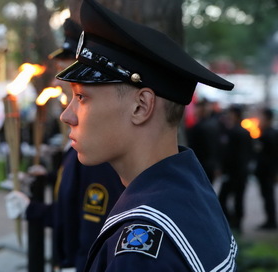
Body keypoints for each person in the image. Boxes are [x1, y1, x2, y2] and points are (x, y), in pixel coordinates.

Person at [56, 0, 237, 270]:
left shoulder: (141, 249)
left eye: (81, 97)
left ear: (141, 107)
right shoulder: (190, 193)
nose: (66, 116)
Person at [6, 18, 124, 272]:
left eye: (65, 62)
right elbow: (72, 187)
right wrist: (48, 177)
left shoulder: (98, 144)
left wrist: (32, 210)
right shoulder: (83, 129)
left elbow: (88, 219)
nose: (58, 71)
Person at [218, 105, 254, 232]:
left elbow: (230, 154)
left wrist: (224, 169)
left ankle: (232, 221)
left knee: (223, 198)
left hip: (233, 172)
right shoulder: (245, 132)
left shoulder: (233, 133)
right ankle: (237, 222)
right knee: (239, 197)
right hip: (241, 172)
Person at [187, 99, 222, 183]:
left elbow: (192, 148)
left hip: (199, 165)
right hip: (211, 165)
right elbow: (220, 147)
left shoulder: (197, 127)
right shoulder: (215, 125)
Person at [254, 107, 278, 230]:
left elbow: (273, 155)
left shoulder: (270, 134)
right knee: (266, 196)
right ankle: (269, 220)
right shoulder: (266, 132)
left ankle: (271, 222)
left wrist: (274, 173)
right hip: (265, 172)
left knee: (268, 197)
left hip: (268, 172)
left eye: (261, 117)